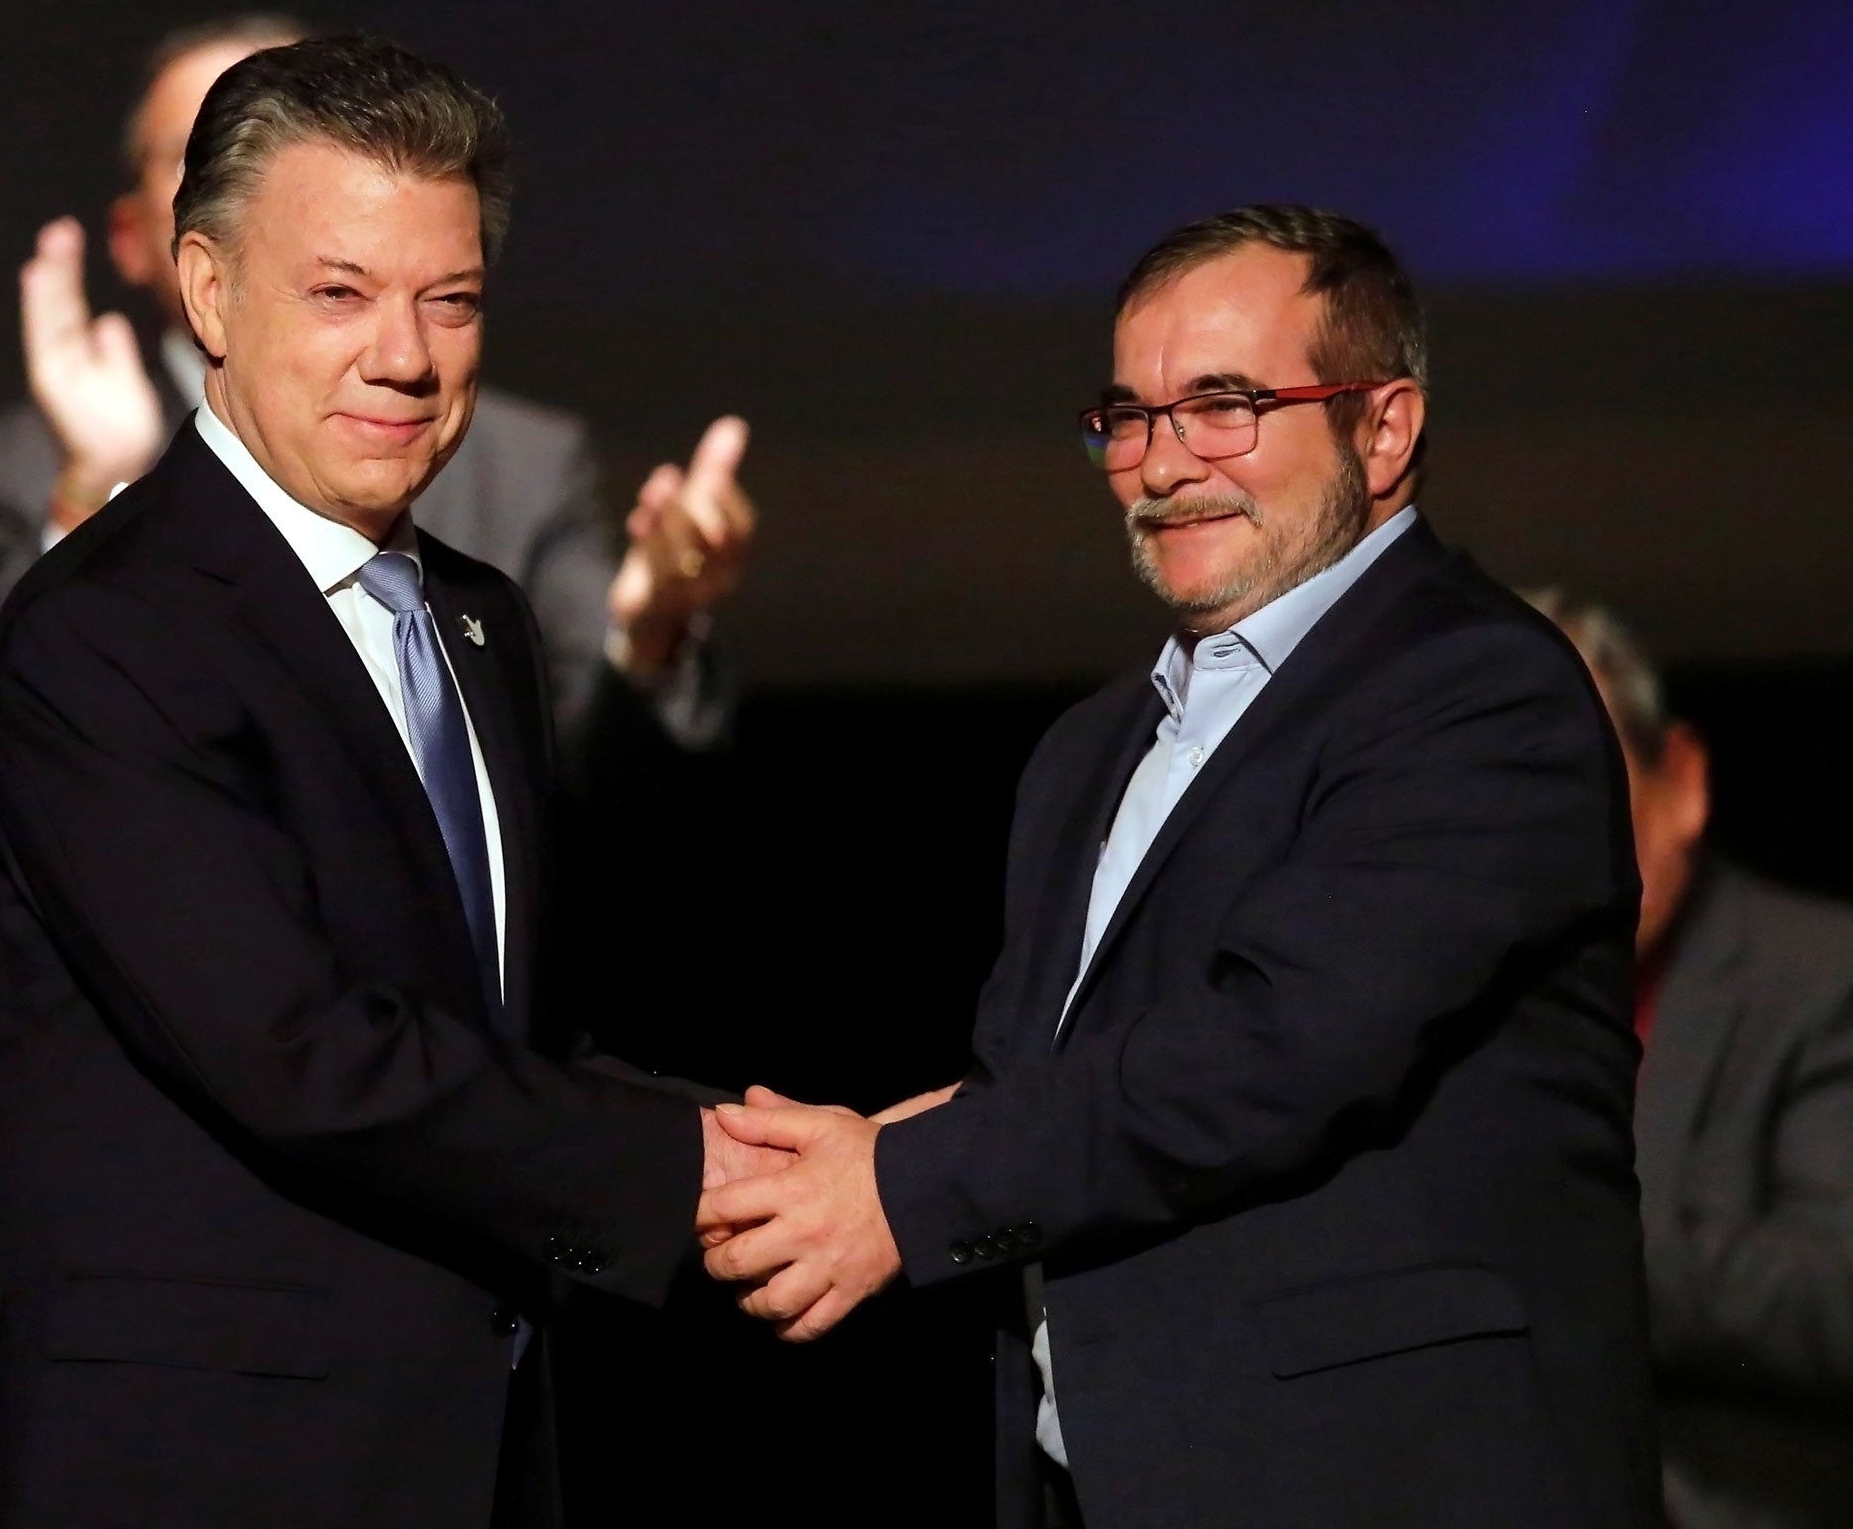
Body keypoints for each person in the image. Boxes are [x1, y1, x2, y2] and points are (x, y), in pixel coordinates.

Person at [699, 205, 1660, 1528]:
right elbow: (1050, 1090)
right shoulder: (1091, 749)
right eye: (1130, 418)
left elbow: (1275, 1052)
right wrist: (857, 1154)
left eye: (1226, 406)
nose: (1163, 464)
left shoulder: (1476, 693)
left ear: (1383, 427)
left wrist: (898, 1187)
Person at [0, 35, 782, 1529]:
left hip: (471, 1444)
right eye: (339, 292)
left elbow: (503, 1036)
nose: (404, 355)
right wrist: (702, 1166)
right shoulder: (108, 628)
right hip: (203, 1467)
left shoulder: (480, 616)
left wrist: (810, 1148)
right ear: (209, 292)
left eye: (449, 299)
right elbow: (302, 1053)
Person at [0, 14, 752, 791]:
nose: (401, 358)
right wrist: (93, 490)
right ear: (152, 244)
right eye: (202, 154)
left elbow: (575, 790)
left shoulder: (519, 466)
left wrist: (652, 630)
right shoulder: (12, 472)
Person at [1527, 589, 1853, 1529]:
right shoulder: (1420, 1015)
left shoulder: (1820, 979)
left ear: (1682, 782)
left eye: (1576, 785)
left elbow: (1839, 1293)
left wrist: (1560, 1241)